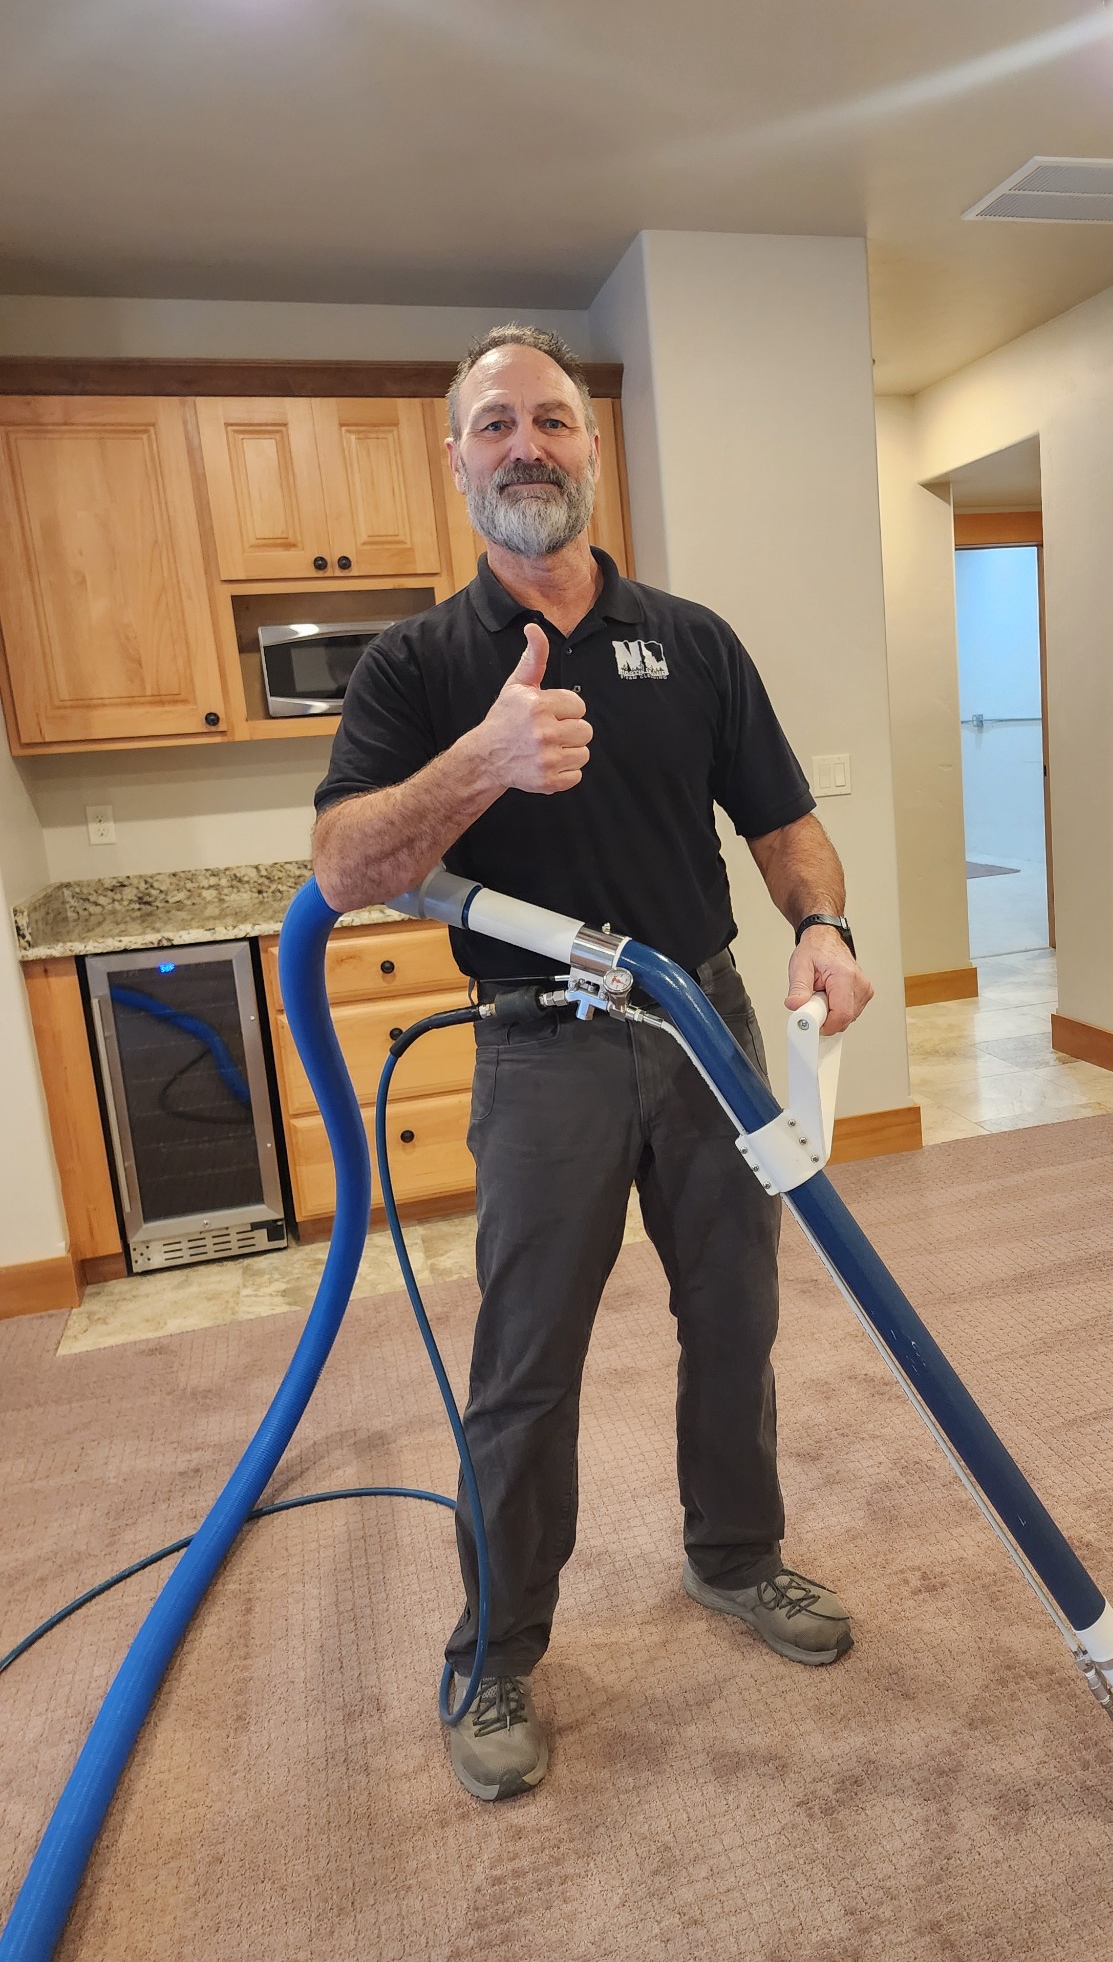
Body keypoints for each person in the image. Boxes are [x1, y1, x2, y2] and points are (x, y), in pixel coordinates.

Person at [311, 323, 874, 1802]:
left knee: (735, 1318)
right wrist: (484, 760)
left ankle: (736, 1558)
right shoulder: (419, 663)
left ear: (590, 447)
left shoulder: (691, 642)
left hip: (704, 1027)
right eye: (492, 426)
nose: (525, 447)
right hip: (540, 1046)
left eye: (550, 420)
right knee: (526, 1365)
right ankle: (498, 1645)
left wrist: (822, 922)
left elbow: (781, 818)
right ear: (456, 464)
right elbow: (344, 863)